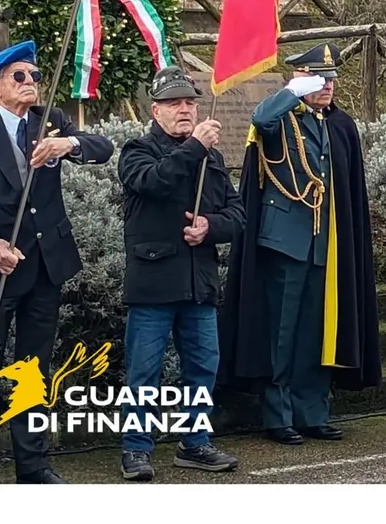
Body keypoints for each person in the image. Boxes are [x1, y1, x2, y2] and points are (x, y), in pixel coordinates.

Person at [0, 40, 114, 484]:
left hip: (46, 267)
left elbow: (103, 146)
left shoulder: (49, 123)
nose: (31, 82)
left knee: (34, 370)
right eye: (20, 76)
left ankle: (33, 466)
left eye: (34, 75)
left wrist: (66, 145)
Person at [218, 42, 382, 445]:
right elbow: (260, 118)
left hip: (327, 243)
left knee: (316, 333)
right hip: (284, 242)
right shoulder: (282, 118)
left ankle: (313, 412)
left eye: (331, 80)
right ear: (301, 79)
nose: (328, 86)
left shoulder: (340, 125)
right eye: (318, 79)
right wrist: (291, 91)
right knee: (281, 334)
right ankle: (279, 417)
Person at [116, 66, 245, 481]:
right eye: (175, 104)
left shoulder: (214, 157)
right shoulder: (137, 150)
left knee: (203, 367)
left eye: (190, 102)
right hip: (153, 284)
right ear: (156, 110)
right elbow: (154, 182)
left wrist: (211, 226)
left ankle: (195, 443)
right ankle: (135, 449)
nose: (185, 109)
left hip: (199, 283)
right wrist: (194, 148)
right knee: (144, 371)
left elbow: (237, 214)